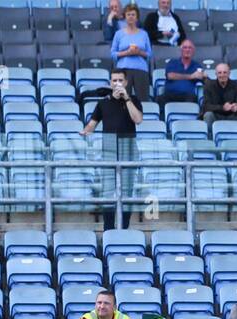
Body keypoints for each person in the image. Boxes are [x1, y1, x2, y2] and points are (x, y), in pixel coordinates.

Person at [79, 70, 142, 231]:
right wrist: (85, 131)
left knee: (126, 192)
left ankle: (124, 229)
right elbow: (92, 125)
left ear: (126, 83)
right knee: (108, 191)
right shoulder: (103, 103)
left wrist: (126, 98)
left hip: (128, 147)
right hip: (109, 148)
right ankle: (108, 230)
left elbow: (138, 119)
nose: (117, 83)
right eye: (114, 80)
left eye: (120, 80)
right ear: (110, 82)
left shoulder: (133, 99)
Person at [110, 4, 153, 101]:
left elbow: (149, 54)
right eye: (128, 14)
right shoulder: (119, 34)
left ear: (137, 17)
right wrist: (127, 53)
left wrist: (139, 52)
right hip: (123, 71)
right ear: (125, 16)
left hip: (141, 70)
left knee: (142, 100)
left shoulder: (144, 34)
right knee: (122, 101)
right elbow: (112, 54)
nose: (130, 17)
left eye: (133, 14)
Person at [159, 39, 204, 115]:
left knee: (195, 100)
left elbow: (202, 79)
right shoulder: (172, 62)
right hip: (170, 94)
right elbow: (170, 76)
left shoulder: (197, 66)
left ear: (193, 51)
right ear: (181, 50)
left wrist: (203, 76)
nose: (187, 50)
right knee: (160, 99)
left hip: (188, 96)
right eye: (185, 47)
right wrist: (191, 76)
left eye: (190, 48)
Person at [201, 62, 237, 130]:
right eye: (219, 73)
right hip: (215, 116)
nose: (222, 75)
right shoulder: (208, 86)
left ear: (229, 73)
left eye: (225, 72)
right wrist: (222, 108)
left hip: (231, 115)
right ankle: (209, 137)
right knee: (208, 115)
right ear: (216, 74)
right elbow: (206, 106)